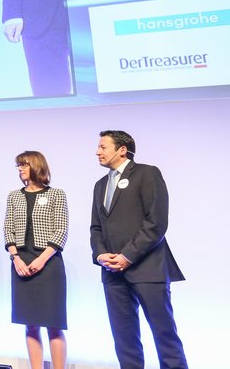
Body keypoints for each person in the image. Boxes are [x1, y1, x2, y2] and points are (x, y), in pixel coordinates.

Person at [91, 130, 188, 369]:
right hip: (112, 273)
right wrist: (100, 254)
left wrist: (127, 256)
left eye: (103, 147)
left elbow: (156, 222)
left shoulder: (147, 173)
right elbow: (96, 227)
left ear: (122, 150)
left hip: (148, 269)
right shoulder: (100, 185)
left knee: (164, 333)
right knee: (124, 339)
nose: (97, 152)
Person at [4, 151, 68, 369]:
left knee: (54, 324)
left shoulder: (56, 194)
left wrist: (42, 259)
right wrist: (16, 258)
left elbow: (61, 230)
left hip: (49, 263)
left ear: (37, 166)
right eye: (18, 166)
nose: (20, 169)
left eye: (24, 165)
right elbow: (8, 230)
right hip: (21, 263)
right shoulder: (14, 195)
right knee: (30, 323)